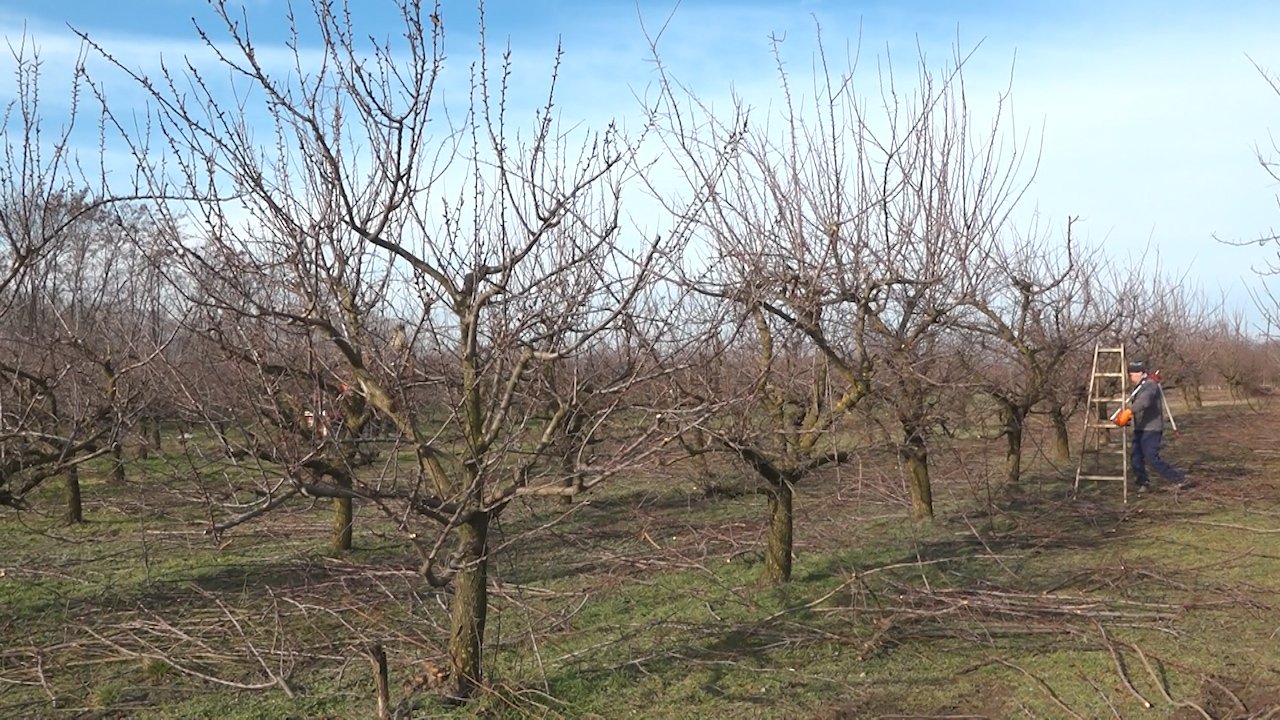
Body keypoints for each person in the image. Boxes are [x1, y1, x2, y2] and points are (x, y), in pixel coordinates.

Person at [1126, 360, 1188, 493]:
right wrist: (1127, 418)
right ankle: (1143, 482)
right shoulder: (1139, 387)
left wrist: (1129, 411)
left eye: (1132, 375)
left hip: (1152, 429)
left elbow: (1144, 401)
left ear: (1139, 373)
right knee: (1135, 458)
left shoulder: (1150, 385)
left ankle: (1179, 479)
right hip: (1140, 428)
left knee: (1151, 457)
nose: (1130, 378)